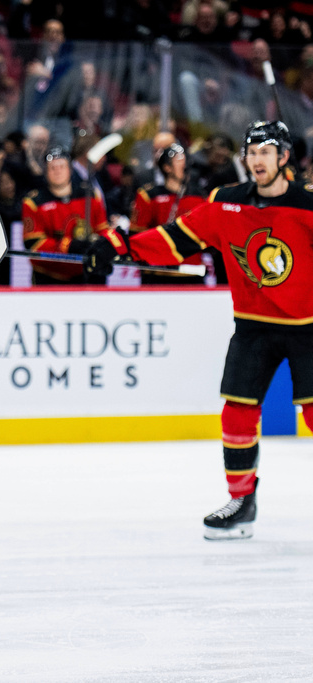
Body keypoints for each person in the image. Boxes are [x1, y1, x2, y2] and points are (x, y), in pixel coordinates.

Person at [86, 121, 313, 540]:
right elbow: (176, 239)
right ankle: (242, 501)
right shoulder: (225, 203)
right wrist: (120, 245)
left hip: (308, 329)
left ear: (284, 158)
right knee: (237, 413)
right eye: (252, 151)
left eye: (266, 151)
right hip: (253, 328)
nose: (257, 159)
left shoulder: (308, 206)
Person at [22, 146, 107, 284]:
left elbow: (103, 230)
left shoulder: (90, 195)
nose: (58, 171)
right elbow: (33, 245)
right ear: (45, 171)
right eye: (52, 167)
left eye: (62, 166)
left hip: (87, 274)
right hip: (49, 278)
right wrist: (68, 246)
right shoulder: (33, 202)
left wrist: (100, 245)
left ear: (70, 170)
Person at [130, 142, 209, 285]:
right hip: (158, 272)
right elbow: (136, 233)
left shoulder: (199, 196)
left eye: (185, 160)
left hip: (191, 271)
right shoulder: (149, 195)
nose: (185, 165)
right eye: (179, 160)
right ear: (167, 168)